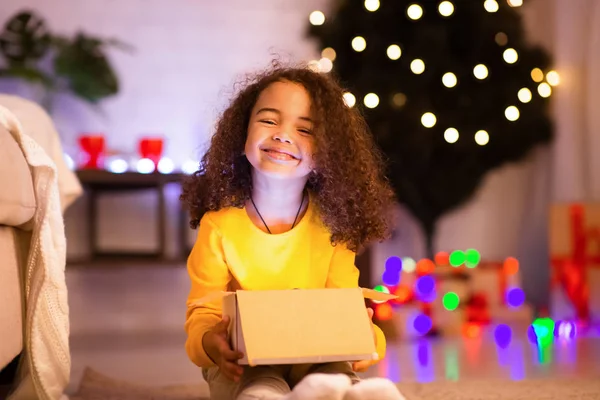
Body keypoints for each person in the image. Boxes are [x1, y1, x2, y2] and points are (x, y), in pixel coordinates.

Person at [181, 63, 403, 400]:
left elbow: (346, 303)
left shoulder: (332, 226)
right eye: (269, 120)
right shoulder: (219, 226)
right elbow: (202, 312)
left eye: (306, 130)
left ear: (327, 155)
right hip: (246, 361)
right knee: (258, 385)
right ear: (242, 134)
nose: (283, 135)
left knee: (337, 375)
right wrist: (212, 341)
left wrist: (366, 336)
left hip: (318, 358)